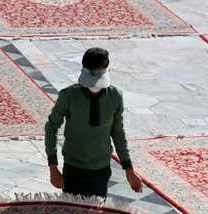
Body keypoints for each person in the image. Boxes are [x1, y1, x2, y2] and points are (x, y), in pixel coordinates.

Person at [45, 47, 143, 198]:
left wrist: (129, 170)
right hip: (73, 167)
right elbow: (51, 127)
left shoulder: (115, 96)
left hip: (101, 168)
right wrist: (53, 167)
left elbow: (118, 133)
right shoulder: (69, 96)